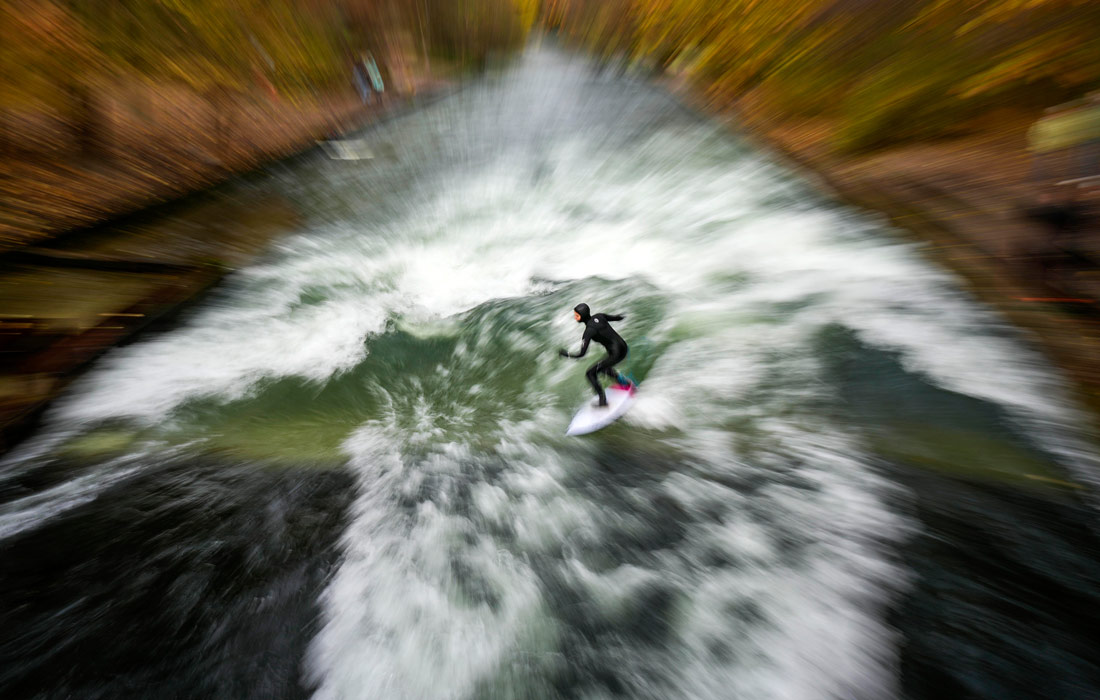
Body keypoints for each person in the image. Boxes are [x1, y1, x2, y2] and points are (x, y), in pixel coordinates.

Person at [559, 303, 631, 407]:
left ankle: (602, 401)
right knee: (603, 367)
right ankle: (624, 382)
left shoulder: (589, 331)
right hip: (623, 347)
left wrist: (567, 354)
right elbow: (617, 318)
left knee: (590, 373)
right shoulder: (599, 316)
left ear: (582, 316)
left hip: (616, 354)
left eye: (577, 315)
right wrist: (623, 315)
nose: (575, 318)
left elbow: (582, 354)